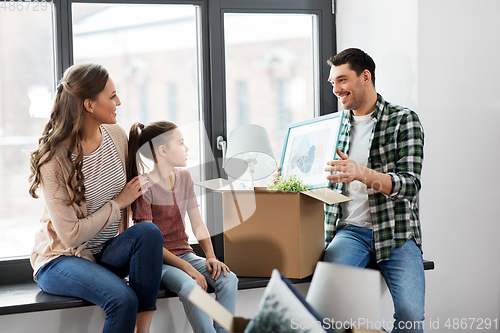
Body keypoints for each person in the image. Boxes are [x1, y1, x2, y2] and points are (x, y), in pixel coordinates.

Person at [29, 63, 164, 333]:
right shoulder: (54, 160)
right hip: (60, 260)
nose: (119, 102)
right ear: (89, 105)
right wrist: (118, 203)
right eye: (112, 96)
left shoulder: (116, 135)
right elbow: (71, 236)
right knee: (122, 299)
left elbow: (137, 192)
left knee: (148, 232)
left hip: (104, 254)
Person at [323, 48, 425, 332]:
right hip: (349, 232)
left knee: (411, 316)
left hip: (396, 233)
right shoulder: (334, 126)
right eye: (332, 83)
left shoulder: (404, 120)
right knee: (326, 312)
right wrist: (295, 177)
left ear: (365, 77)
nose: (336, 89)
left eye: (342, 80)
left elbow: (410, 184)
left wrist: (362, 173)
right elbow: (323, 182)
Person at [127, 121, 238, 333]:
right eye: (181, 143)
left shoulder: (184, 177)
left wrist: (211, 256)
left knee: (228, 279)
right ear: (163, 150)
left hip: (185, 254)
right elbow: (148, 244)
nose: (186, 148)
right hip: (157, 261)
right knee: (190, 287)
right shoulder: (143, 186)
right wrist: (187, 269)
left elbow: (197, 222)